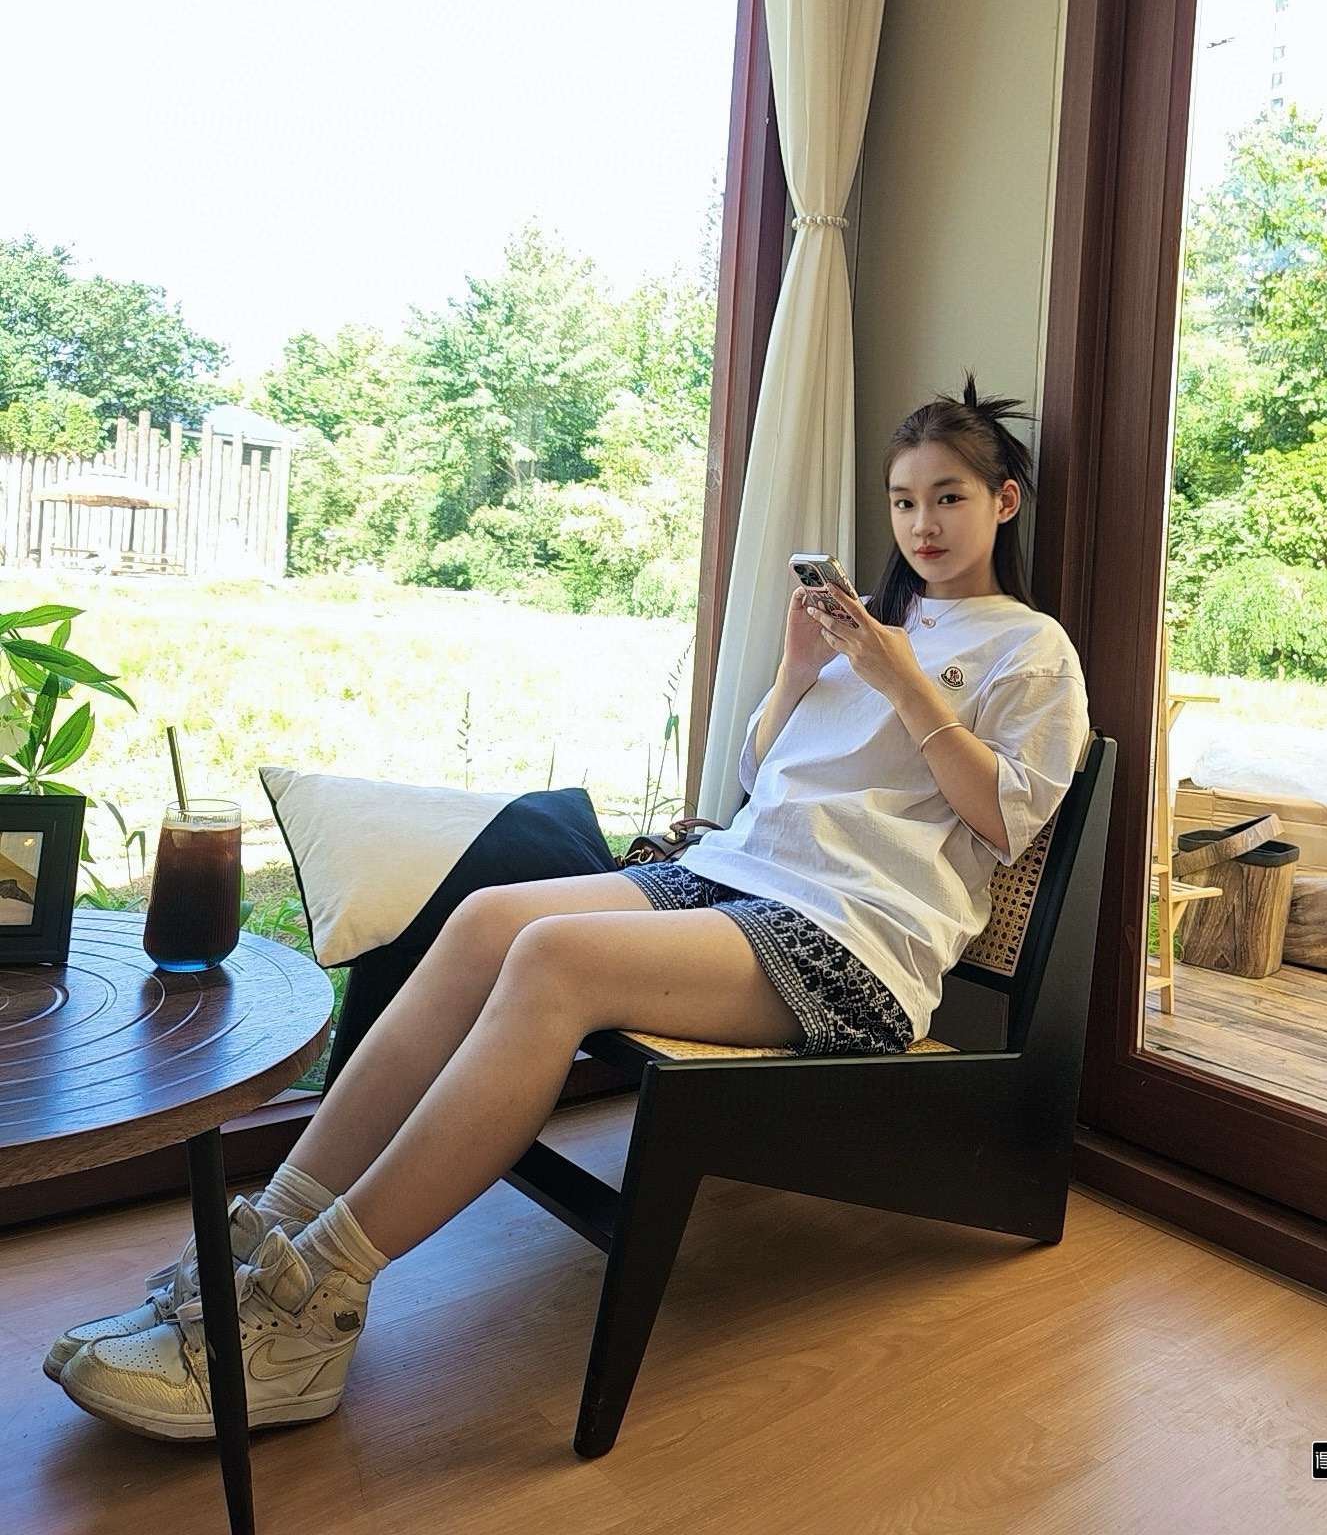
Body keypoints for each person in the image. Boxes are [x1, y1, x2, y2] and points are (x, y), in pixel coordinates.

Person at [51, 376, 1090, 1441]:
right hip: (738, 875)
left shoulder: (1031, 649)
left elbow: (1005, 821)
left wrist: (904, 681)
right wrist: (800, 668)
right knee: (488, 919)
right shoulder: (874, 625)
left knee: (554, 960)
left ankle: (308, 1311)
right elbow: (762, 774)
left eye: (950, 497)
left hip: (853, 938)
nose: (922, 523)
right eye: (904, 500)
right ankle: (257, 1242)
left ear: (1003, 502)